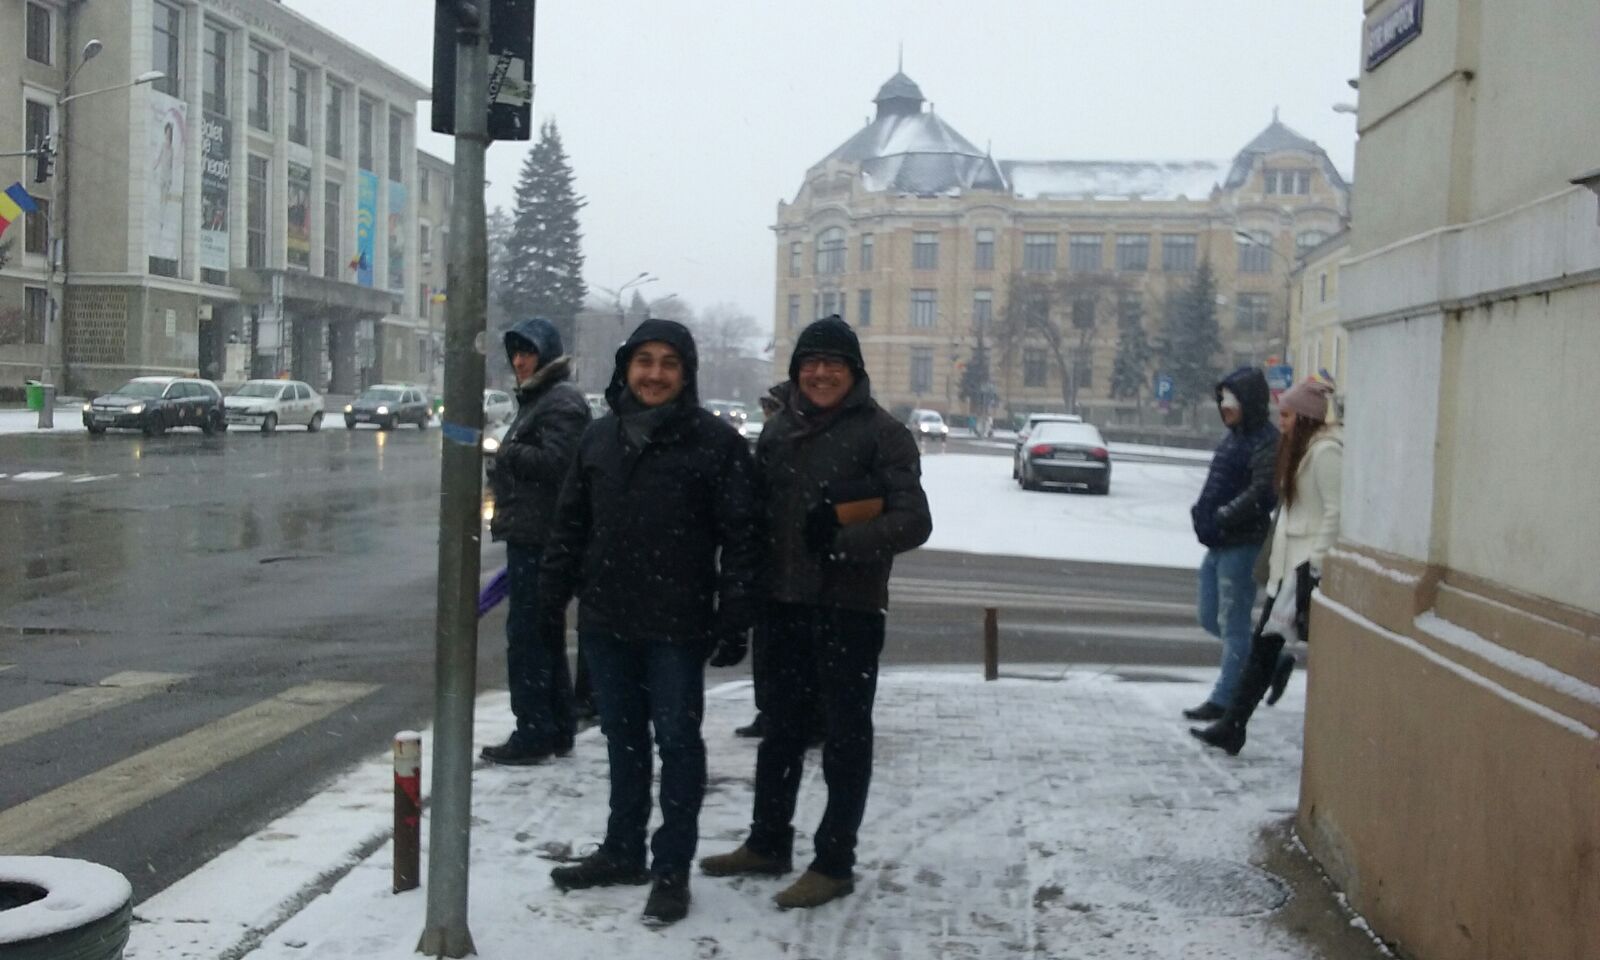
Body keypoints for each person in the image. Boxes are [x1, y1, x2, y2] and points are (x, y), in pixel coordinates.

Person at [700, 315, 933, 910]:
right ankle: (768, 843)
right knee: (779, 734)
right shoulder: (778, 432)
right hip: (782, 606)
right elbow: (754, 518)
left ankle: (834, 862)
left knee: (845, 741)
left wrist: (839, 538)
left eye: (833, 363)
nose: (821, 373)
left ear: (853, 371)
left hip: (848, 610)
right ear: (796, 370)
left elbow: (913, 521)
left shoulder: (884, 434)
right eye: (811, 362)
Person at [540, 319, 760, 926]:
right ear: (626, 368)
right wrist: (552, 594)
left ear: (685, 374)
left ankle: (670, 870)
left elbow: (741, 538)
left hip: (677, 624)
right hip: (608, 619)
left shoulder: (715, 444)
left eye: (668, 363)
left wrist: (733, 615)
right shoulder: (600, 438)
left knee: (679, 745)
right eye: (644, 361)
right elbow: (571, 524)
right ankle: (622, 849)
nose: (655, 374)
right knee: (622, 740)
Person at [1193, 378, 1342, 755]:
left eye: (1289, 415)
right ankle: (1234, 725)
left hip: (1303, 569)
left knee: (1267, 648)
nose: (1283, 422)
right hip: (1288, 569)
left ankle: (1234, 723)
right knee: (1262, 649)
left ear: (1307, 418)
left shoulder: (1325, 453)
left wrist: (1318, 563)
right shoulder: (1301, 450)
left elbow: (1335, 511)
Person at [480, 318, 591, 765]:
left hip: (541, 536)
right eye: (515, 353)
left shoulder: (560, 401)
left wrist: (504, 454)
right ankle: (557, 727)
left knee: (527, 637)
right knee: (541, 636)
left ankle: (533, 732)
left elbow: (557, 463)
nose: (520, 361)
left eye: (527, 352)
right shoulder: (542, 399)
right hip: (535, 532)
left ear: (546, 355)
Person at [1184, 367, 1279, 722]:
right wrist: (1202, 512)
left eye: (1231, 400)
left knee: (1234, 625)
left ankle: (1224, 700)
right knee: (1210, 617)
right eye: (1222, 400)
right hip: (1219, 542)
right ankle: (1268, 660)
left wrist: (1223, 516)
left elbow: (1262, 493)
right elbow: (1218, 482)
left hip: (1243, 544)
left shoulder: (1266, 440)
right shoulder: (1235, 437)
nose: (1225, 406)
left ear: (1249, 402)